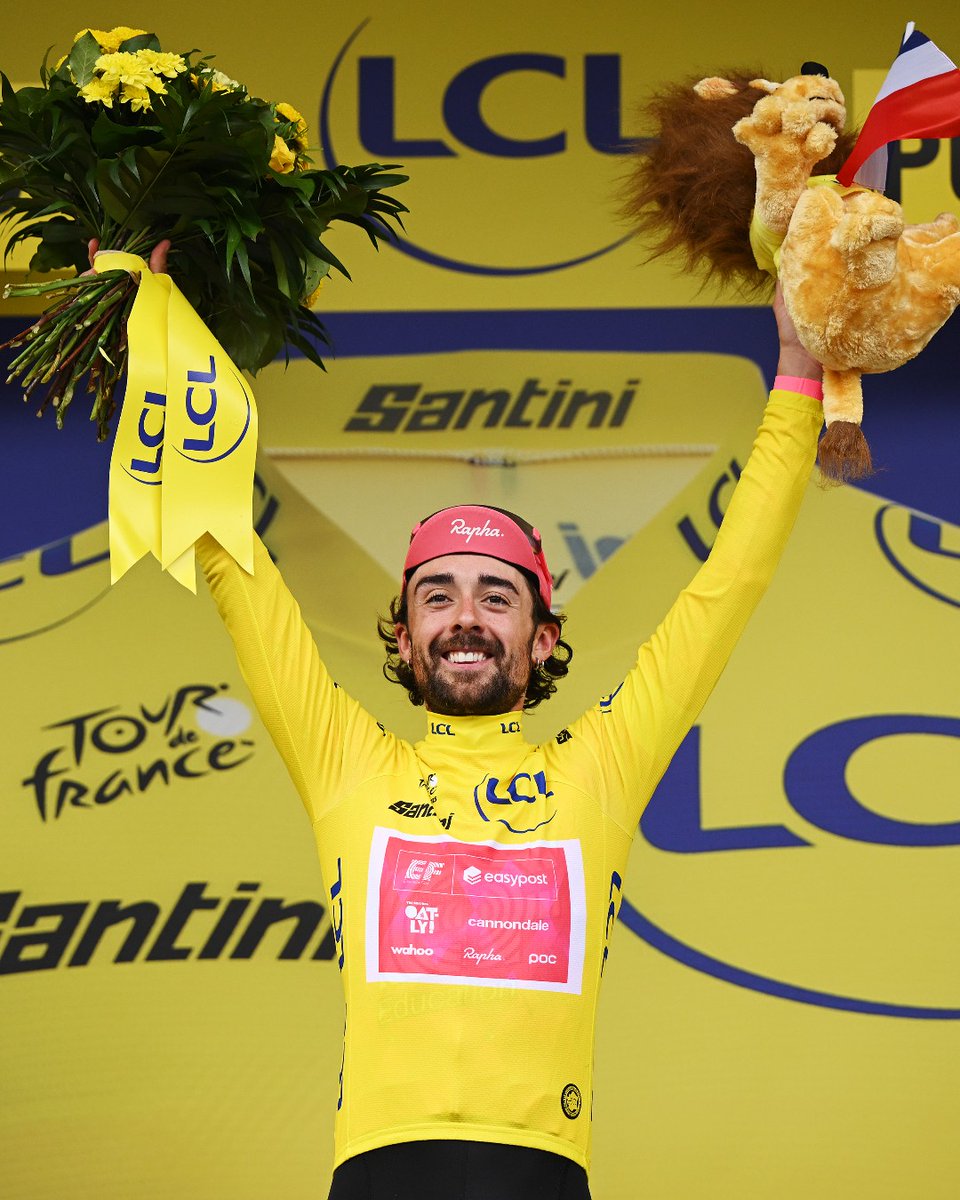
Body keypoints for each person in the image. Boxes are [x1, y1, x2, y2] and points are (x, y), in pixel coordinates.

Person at [109, 238, 824, 1199]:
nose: (465, 619)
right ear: (403, 639)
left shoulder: (600, 768)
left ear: (541, 636)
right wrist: (159, 347)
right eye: (437, 596)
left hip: (537, 1170)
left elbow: (728, 583)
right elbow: (232, 564)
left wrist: (798, 373)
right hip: (376, 1167)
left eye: (498, 596)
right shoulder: (350, 764)